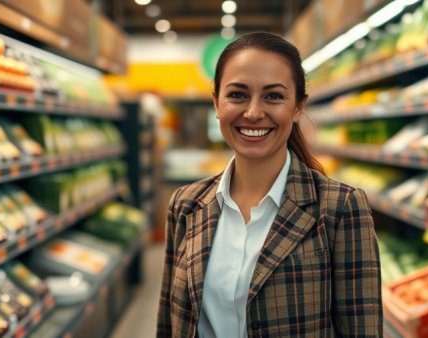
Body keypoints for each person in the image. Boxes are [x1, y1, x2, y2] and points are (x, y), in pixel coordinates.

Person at [157, 32, 382, 337]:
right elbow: (169, 326)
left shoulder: (339, 208)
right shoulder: (185, 204)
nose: (253, 112)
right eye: (237, 95)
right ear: (216, 102)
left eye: (273, 96)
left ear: (298, 107)